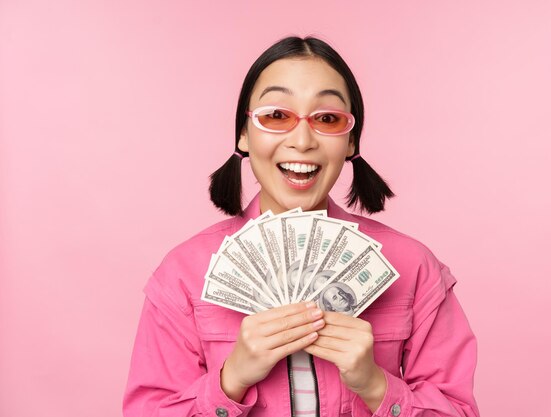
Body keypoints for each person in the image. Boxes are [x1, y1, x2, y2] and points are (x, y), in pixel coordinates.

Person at [123, 36, 480, 417]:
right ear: (244, 134)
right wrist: (231, 380)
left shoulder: (414, 268)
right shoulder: (183, 275)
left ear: (350, 140)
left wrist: (375, 385)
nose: (302, 140)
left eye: (327, 119)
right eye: (277, 116)